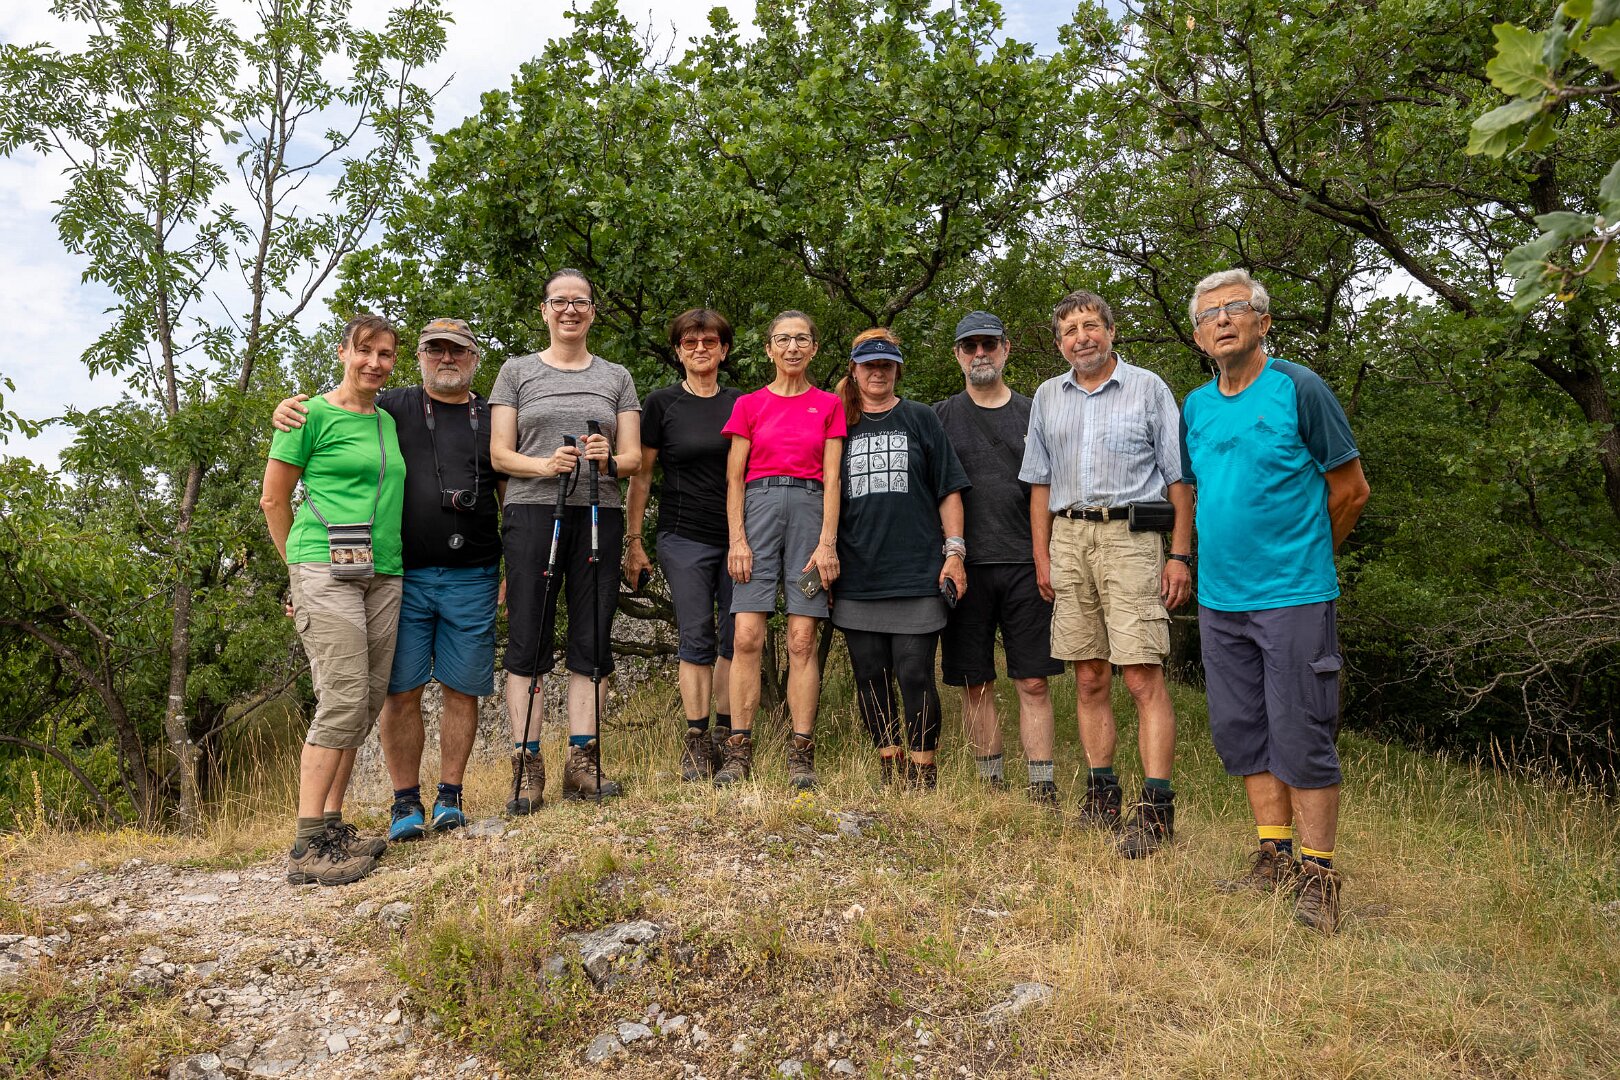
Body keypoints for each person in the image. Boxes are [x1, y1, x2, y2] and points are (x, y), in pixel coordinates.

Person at [1181, 269, 1369, 933]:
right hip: (1220, 596)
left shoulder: (1299, 388)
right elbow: (1199, 492)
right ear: (1200, 336)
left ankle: (1319, 874)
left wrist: (1307, 555)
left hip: (1293, 594)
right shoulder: (1197, 407)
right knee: (1243, 728)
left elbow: (1350, 489)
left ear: (1262, 322)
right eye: (1211, 314)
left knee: (1302, 730)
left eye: (1238, 309)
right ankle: (1273, 855)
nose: (1224, 320)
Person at [273, 318, 506, 841]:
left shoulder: (494, 417)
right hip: (400, 573)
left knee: (461, 688)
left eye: (457, 350)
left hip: (466, 572)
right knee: (394, 691)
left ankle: (450, 798)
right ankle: (404, 805)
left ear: (474, 357)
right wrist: (289, 408)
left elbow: (511, 491)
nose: (447, 358)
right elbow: (323, 423)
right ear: (421, 357)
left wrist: (510, 566)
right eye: (435, 350)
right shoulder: (393, 405)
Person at [1020, 290, 1194, 858]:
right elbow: (1039, 483)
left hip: (1132, 538)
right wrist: (1042, 556)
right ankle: (1102, 791)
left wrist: (1179, 554)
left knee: (1141, 672)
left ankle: (1156, 805)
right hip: (1068, 538)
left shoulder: (1148, 389)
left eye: (1091, 326)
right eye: (1070, 331)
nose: (1082, 338)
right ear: (1059, 343)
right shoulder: (1048, 396)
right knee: (1088, 674)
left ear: (1111, 331)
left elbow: (1178, 477)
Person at [261, 313, 407, 887]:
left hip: (383, 571)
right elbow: (275, 501)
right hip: (323, 564)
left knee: (367, 700)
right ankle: (305, 848)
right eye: (365, 350)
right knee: (342, 694)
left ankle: (331, 824)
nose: (375, 362)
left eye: (386, 354)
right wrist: (298, 573)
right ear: (344, 351)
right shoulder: (306, 414)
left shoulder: (387, 421)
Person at [489, 269, 641, 805]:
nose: (570, 310)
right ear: (544, 310)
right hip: (533, 514)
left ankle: (583, 761)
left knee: (592, 636)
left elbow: (634, 457)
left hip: (598, 512)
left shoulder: (616, 376)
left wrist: (610, 458)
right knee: (528, 637)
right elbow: (498, 455)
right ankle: (527, 765)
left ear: (593, 312)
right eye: (560, 302)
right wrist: (542, 464)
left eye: (580, 302)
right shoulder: (516, 372)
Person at [932, 312, 1065, 802]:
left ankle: (1041, 786)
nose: (980, 354)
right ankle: (990, 783)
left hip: (1029, 564)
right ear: (958, 355)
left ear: (1006, 349)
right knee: (975, 682)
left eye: (989, 344)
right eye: (970, 346)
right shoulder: (939, 416)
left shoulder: (1037, 413)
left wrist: (1049, 557)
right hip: (963, 568)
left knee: (1032, 680)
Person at [835, 329, 969, 788]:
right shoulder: (839, 424)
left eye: (886, 364)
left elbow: (949, 489)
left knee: (914, 672)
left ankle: (923, 769)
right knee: (869, 676)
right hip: (856, 574)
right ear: (854, 370)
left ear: (897, 369)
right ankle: (889, 764)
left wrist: (955, 553)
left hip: (916, 572)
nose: (877, 371)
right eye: (868, 364)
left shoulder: (921, 418)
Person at [721, 310, 845, 788]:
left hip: (812, 514)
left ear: (813, 348)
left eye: (801, 339)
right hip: (758, 511)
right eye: (782, 339)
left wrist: (827, 542)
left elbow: (834, 478)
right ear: (769, 349)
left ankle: (801, 752)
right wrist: (737, 537)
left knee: (801, 639)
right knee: (747, 635)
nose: (792, 347)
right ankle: (738, 749)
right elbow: (733, 478)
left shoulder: (828, 405)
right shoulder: (750, 405)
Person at [624, 309, 743, 782]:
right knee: (697, 635)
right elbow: (641, 476)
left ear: (724, 349)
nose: (700, 349)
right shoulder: (661, 404)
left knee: (738, 637)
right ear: (678, 351)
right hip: (683, 536)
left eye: (709, 342)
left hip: (739, 537)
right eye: (690, 343)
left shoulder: (742, 402)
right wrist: (634, 541)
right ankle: (696, 741)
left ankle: (728, 737)